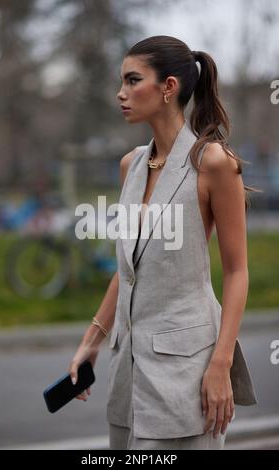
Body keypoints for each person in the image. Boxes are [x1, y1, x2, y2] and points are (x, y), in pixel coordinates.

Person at [68, 35, 258, 450]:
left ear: (168, 87)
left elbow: (237, 271)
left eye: (133, 80)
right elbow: (129, 269)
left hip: (190, 373)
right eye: (122, 81)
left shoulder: (214, 164)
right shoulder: (130, 166)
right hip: (128, 375)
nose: (121, 93)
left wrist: (220, 365)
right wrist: (92, 341)